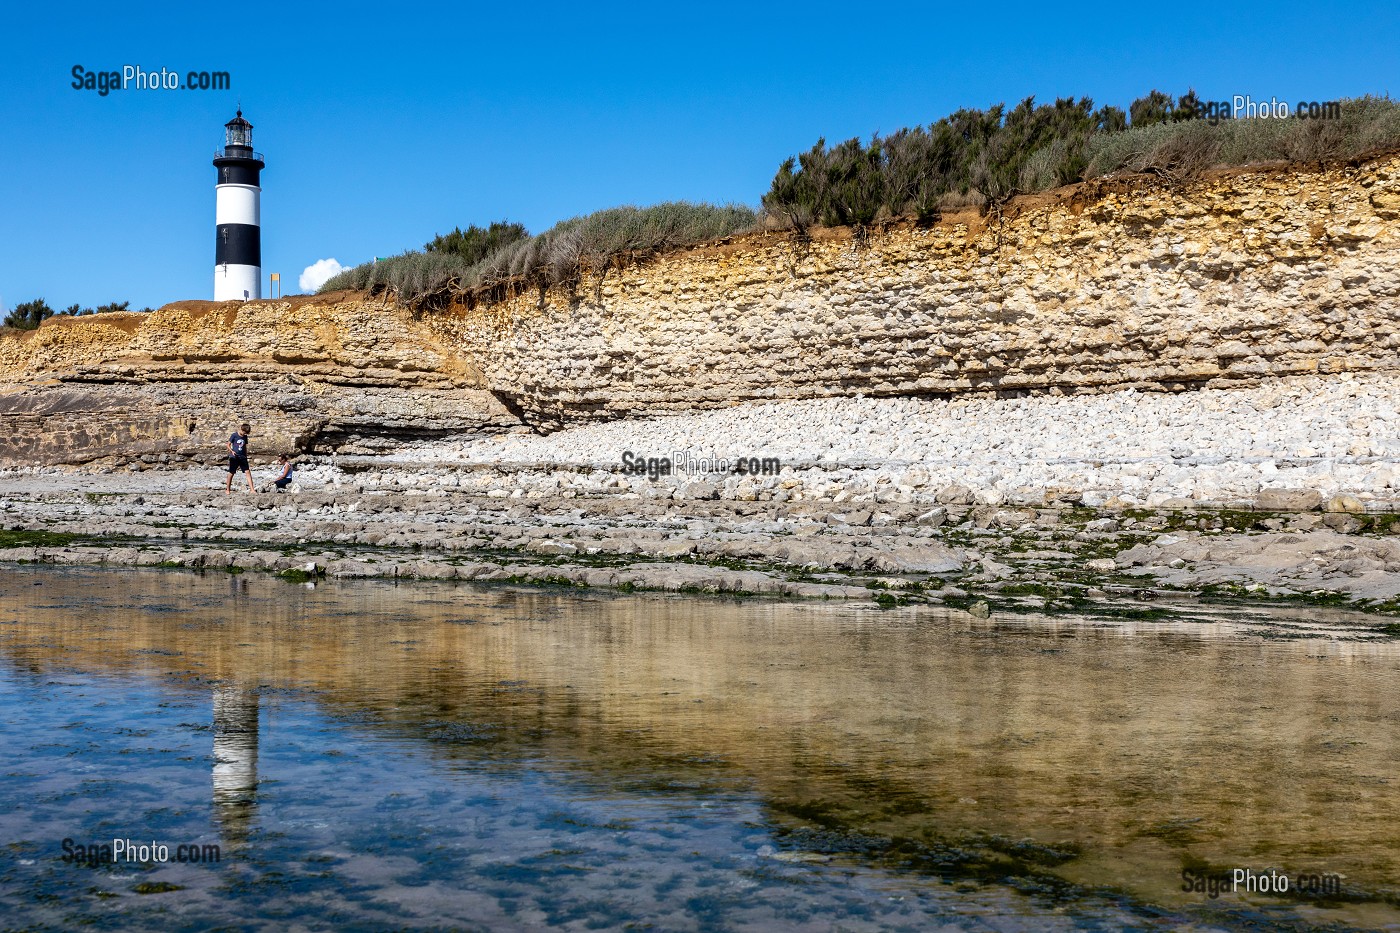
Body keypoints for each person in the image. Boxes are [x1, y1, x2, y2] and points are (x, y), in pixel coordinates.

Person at [225, 423, 256, 494]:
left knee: (247, 472)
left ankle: (252, 489)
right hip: (234, 457)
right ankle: (227, 489)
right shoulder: (234, 435)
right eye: (244, 432)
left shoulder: (245, 437)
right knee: (231, 472)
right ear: (241, 429)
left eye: (246, 433)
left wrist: (245, 455)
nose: (244, 434)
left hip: (242, 457)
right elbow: (228, 444)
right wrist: (231, 451)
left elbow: (244, 446)